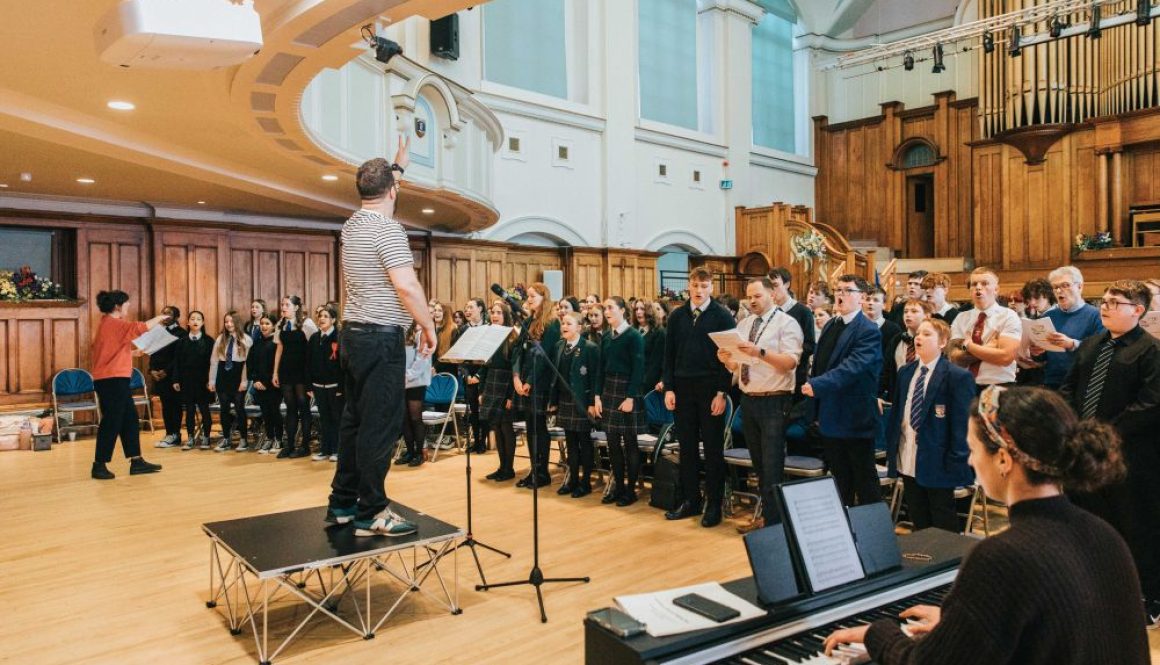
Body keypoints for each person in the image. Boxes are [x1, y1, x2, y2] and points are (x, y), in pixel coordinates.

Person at [824, 386, 1150, 664]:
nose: (970, 460)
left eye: (973, 449)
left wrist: (877, 633)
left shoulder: (1002, 555)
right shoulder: (1104, 534)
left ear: (1004, 460)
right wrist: (958, 628)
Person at [326, 140, 437, 537]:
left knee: (355, 422)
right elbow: (406, 286)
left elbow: (384, 193)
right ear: (391, 190)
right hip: (380, 339)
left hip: (353, 337)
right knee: (382, 427)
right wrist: (427, 326)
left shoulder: (352, 224)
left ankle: (342, 503)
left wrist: (397, 168)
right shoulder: (388, 230)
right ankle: (371, 511)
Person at [1061, 280, 1160, 628]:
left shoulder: (1150, 351)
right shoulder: (1090, 346)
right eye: (1103, 301)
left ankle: (1147, 597)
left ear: (1137, 310)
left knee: (1134, 526)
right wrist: (1075, 426)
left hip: (1130, 456)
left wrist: (1105, 435)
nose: (1105, 306)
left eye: (1115, 302)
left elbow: (1150, 404)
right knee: (1086, 521)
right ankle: (1091, 589)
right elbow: (1069, 387)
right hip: (1085, 451)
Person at [717, 277, 802, 532]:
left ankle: (775, 524)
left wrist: (759, 352)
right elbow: (738, 365)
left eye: (757, 296)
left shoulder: (787, 323)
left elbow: (789, 363)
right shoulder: (744, 323)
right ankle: (769, 517)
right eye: (749, 297)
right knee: (759, 465)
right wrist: (726, 359)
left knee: (772, 464)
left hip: (774, 400)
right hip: (749, 398)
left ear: (772, 295)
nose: (752, 301)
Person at [884, 319, 974, 531]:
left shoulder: (956, 376)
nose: (919, 338)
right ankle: (925, 560)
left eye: (927, 334)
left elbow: (962, 425)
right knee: (918, 515)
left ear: (942, 342)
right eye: (918, 334)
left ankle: (947, 562)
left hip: (939, 458)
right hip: (908, 454)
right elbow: (899, 413)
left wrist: (956, 460)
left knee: (942, 517)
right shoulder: (906, 372)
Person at [802, 275, 883, 506]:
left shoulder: (868, 330)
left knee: (864, 480)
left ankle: (871, 534)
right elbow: (819, 365)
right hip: (830, 415)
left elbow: (852, 368)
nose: (840, 295)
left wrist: (817, 386)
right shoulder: (831, 324)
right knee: (839, 481)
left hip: (855, 416)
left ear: (862, 298)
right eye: (838, 290)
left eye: (847, 290)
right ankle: (844, 532)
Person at [663, 267, 735, 527]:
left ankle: (713, 504)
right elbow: (668, 355)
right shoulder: (677, 316)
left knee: (713, 449)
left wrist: (721, 392)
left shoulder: (722, 316)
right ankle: (690, 500)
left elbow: (730, 359)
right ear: (688, 286)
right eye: (695, 285)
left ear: (711, 288)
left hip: (710, 388)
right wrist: (669, 388)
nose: (699, 290)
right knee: (688, 448)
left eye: (704, 286)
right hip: (682, 387)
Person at [89, 290, 169, 479]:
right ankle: (99, 465)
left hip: (113, 379)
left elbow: (107, 351)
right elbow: (140, 327)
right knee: (111, 421)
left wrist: (130, 353)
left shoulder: (107, 324)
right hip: (112, 380)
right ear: (117, 306)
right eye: (126, 303)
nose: (128, 306)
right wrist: (160, 317)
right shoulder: (114, 323)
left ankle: (136, 461)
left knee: (130, 419)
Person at [594, 297, 646, 506]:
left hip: (627, 390)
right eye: (605, 308)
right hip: (609, 389)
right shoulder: (606, 337)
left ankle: (630, 490)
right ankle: (619, 487)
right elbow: (600, 368)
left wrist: (630, 397)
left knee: (630, 443)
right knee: (612, 443)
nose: (607, 312)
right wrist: (597, 396)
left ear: (623, 311)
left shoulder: (634, 336)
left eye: (610, 308)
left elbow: (638, 369)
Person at [512, 282, 561, 488]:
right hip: (524, 380)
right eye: (528, 297)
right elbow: (518, 351)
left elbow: (544, 356)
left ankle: (542, 473)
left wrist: (530, 381)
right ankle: (534, 469)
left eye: (533, 296)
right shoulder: (528, 321)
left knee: (539, 427)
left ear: (544, 297)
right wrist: (516, 377)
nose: (528, 300)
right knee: (530, 427)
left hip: (539, 382)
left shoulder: (551, 323)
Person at [948, 267, 1022, 392]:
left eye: (984, 283)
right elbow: (955, 359)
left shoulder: (1008, 316)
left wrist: (969, 346)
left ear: (996, 289)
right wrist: (989, 347)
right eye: (974, 284)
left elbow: (1005, 357)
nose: (978, 287)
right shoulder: (961, 318)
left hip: (998, 385)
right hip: (965, 385)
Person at [551, 312, 600, 498]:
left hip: (582, 401)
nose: (564, 326)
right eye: (563, 323)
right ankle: (572, 481)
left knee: (584, 442)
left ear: (579, 327)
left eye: (569, 323)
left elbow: (595, 377)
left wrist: (591, 403)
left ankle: (585, 482)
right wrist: (553, 401)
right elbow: (556, 376)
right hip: (565, 401)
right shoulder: (559, 346)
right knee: (570, 442)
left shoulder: (590, 348)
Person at [1033, 266, 1104, 389]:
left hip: (1082, 382)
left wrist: (1072, 344)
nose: (1059, 291)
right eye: (1055, 287)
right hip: (1052, 382)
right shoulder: (1047, 317)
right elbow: (1042, 357)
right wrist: (1036, 352)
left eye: (1065, 285)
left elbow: (1101, 350)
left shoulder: (1096, 315)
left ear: (1080, 286)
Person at [272, 295, 317, 459]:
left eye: (287, 305)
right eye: (282, 304)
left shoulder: (307, 324)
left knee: (303, 407)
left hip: (302, 371)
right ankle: (289, 445)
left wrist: (312, 375)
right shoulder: (280, 324)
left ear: (296, 307)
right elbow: (279, 350)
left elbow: (314, 349)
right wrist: (275, 372)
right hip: (285, 370)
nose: (283, 307)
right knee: (290, 409)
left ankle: (304, 445)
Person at [481, 300, 520, 481]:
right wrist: (482, 391)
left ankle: (509, 468)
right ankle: (501, 466)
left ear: (505, 316)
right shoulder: (489, 336)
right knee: (496, 426)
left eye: (498, 312)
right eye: (492, 312)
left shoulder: (512, 338)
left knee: (506, 427)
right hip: (492, 382)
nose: (494, 315)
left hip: (506, 385)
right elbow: (484, 366)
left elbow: (516, 369)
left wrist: (511, 395)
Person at [208, 310, 252, 452]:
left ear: (237, 323)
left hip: (238, 375)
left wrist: (244, 381)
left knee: (239, 408)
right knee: (224, 409)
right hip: (223, 375)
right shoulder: (221, 338)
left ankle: (243, 439)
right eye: (226, 321)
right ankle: (226, 438)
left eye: (231, 321)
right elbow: (214, 361)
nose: (228, 324)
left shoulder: (246, 339)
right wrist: (212, 380)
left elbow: (247, 363)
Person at [768, 267, 815, 399]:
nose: (772, 290)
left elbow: (810, 345)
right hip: (770, 376)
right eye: (769, 286)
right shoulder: (768, 312)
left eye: (775, 285)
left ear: (787, 284)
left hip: (794, 376)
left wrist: (787, 356)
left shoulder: (802, 312)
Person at [307, 304, 343, 462]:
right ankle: (324, 449)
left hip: (335, 386)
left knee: (336, 418)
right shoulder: (314, 338)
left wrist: (342, 387)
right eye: (320, 316)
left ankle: (336, 450)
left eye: (326, 316)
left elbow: (343, 364)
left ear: (333, 320)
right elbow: (308, 362)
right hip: (318, 385)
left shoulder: (339, 337)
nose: (321, 319)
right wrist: (309, 385)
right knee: (324, 418)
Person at [174, 311, 214, 450]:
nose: (195, 321)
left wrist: (211, 380)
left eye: (198, 319)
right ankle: (190, 437)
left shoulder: (209, 341)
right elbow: (177, 363)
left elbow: (213, 363)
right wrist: (176, 380)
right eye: (192, 319)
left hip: (204, 382)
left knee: (204, 409)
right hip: (187, 381)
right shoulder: (181, 341)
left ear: (202, 323)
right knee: (189, 410)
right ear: (188, 323)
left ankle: (206, 437)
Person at [149, 305, 187, 448]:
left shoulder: (181, 334)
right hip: (159, 375)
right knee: (165, 405)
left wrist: (166, 371)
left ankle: (175, 435)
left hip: (172, 376)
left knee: (174, 405)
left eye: (168, 313)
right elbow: (152, 352)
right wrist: (151, 370)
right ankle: (169, 433)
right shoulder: (158, 332)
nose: (165, 316)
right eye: (163, 313)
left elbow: (179, 358)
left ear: (176, 317)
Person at [398, 324, 432, 468]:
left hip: (416, 381)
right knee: (404, 418)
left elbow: (423, 358)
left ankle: (419, 453)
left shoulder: (421, 334)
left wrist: (409, 375)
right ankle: (410, 451)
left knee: (415, 418)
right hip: (401, 380)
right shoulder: (401, 332)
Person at [248, 314, 283, 454]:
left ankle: (278, 439)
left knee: (275, 412)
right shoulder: (256, 344)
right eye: (262, 323)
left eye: (267, 323)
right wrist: (255, 380)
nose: (263, 326)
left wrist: (268, 381)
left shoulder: (276, 344)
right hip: (259, 384)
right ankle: (269, 437)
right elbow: (250, 364)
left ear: (273, 325)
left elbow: (278, 365)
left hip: (273, 385)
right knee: (265, 413)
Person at [460, 297, 489, 455]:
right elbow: (460, 355)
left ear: (480, 309)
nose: (467, 310)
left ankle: (483, 441)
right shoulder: (463, 329)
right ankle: (475, 441)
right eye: (466, 308)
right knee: (473, 411)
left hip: (483, 375)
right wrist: (466, 375)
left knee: (483, 410)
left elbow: (489, 356)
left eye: (471, 307)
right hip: (468, 376)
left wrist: (478, 375)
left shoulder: (487, 328)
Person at [633, 298, 666, 394]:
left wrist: (645, 382)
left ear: (650, 311)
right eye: (636, 309)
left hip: (648, 383)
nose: (638, 312)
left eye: (642, 309)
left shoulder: (659, 332)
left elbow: (657, 362)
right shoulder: (632, 330)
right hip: (631, 381)